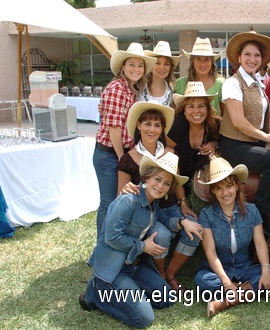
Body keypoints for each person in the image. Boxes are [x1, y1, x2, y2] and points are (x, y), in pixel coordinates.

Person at [79, 153, 191, 328]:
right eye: (157, 179)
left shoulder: (153, 203)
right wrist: (143, 246)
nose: (161, 186)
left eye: (167, 183)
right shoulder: (129, 200)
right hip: (112, 272)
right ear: (146, 177)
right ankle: (95, 294)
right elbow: (111, 237)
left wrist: (182, 222)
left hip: (132, 266)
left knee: (167, 299)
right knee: (144, 319)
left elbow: (163, 220)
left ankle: (130, 293)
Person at [117, 100, 202, 291]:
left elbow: (177, 180)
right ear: (138, 126)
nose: (152, 129)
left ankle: (171, 273)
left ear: (163, 129)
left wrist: (183, 203)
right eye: (147, 124)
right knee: (160, 235)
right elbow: (119, 195)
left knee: (196, 230)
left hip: (170, 206)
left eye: (157, 125)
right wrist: (127, 189)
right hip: (146, 212)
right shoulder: (128, 158)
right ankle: (160, 273)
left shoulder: (170, 152)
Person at [219, 30, 270, 239]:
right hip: (234, 145)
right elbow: (239, 121)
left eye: (257, 55)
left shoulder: (257, 82)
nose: (252, 59)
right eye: (247, 54)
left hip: (251, 141)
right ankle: (260, 217)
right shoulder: (232, 82)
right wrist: (266, 138)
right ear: (239, 57)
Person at [194, 156, 270, 317]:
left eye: (228, 186)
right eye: (218, 188)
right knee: (201, 280)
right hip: (218, 271)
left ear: (236, 186)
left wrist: (265, 269)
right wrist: (226, 282)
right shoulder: (207, 215)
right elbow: (211, 253)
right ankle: (249, 292)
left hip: (244, 268)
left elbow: (260, 243)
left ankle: (222, 303)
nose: (225, 193)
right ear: (213, 191)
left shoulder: (252, 211)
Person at [93, 42, 156, 236]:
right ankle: (104, 245)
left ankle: (113, 241)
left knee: (119, 200)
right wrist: (123, 159)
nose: (136, 69)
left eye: (140, 65)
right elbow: (114, 128)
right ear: (123, 66)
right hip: (109, 154)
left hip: (120, 152)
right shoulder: (117, 88)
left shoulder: (131, 89)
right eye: (131, 64)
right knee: (109, 202)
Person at [168, 81, 221, 200]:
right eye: (191, 106)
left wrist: (214, 144)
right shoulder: (178, 125)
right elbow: (166, 151)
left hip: (202, 184)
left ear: (207, 109)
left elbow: (223, 143)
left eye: (201, 106)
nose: (196, 111)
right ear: (184, 110)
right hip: (176, 180)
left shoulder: (214, 124)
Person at [174, 37, 225, 115]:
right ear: (192, 62)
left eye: (206, 60)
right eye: (198, 59)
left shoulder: (221, 84)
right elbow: (177, 113)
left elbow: (225, 115)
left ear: (212, 62)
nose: (203, 64)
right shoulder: (180, 83)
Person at [140, 41, 181, 106]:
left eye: (166, 64)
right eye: (157, 63)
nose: (162, 67)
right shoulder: (139, 87)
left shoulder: (172, 90)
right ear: (151, 65)